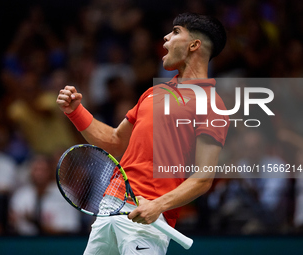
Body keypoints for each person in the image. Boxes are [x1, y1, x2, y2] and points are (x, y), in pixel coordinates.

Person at [56, 13, 229, 254]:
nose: (166, 38)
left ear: (194, 45)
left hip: (148, 219)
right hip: (110, 207)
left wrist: (157, 205)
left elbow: (203, 179)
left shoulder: (211, 104)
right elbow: (116, 142)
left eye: (176, 32)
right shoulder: (153, 93)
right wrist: (76, 112)